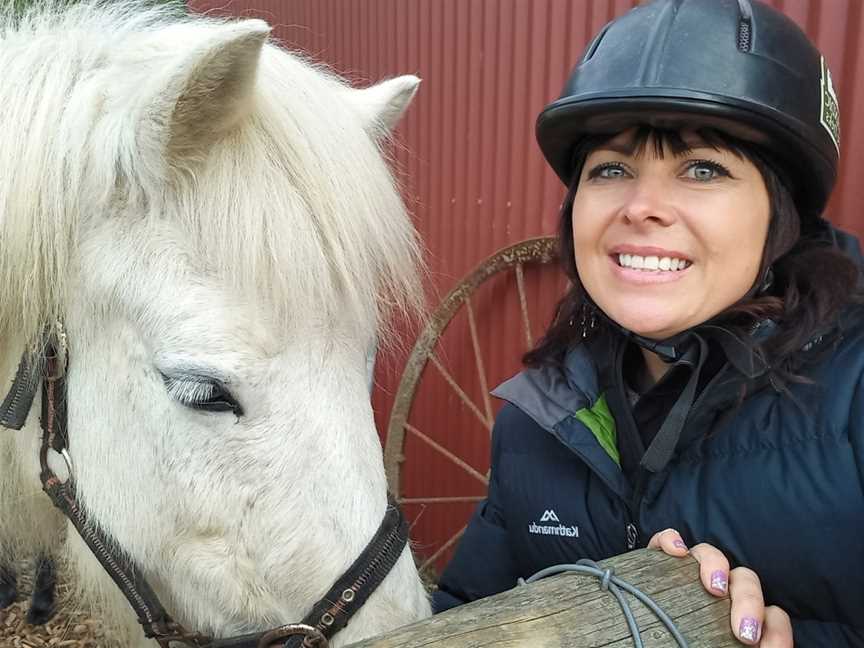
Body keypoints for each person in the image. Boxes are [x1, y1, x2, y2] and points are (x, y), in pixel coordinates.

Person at [432, 1, 864, 646]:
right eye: (612, 169)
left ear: (780, 217)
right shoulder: (538, 417)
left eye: (702, 169)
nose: (642, 207)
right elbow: (464, 614)